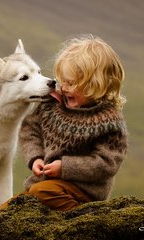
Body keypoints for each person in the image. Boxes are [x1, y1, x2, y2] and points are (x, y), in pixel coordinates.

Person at [19, 34, 128, 211]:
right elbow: (30, 130)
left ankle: (86, 218)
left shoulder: (109, 121)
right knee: (10, 207)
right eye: (62, 81)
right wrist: (35, 158)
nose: (63, 87)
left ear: (96, 85)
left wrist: (65, 168)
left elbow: (107, 163)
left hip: (83, 191)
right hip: (44, 183)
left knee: (42, 192)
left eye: (71, 83)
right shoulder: (52, 104)